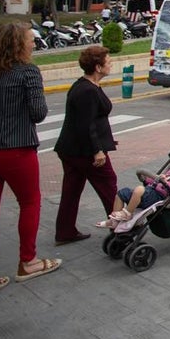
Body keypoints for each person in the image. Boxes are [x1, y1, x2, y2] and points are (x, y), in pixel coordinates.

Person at [0, 22, 60, 301]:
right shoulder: (27, 72)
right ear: (19, 45)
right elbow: (38, 113)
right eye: (30, 40)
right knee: (29, 203)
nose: (33, 44)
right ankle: (27, 262)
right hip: (15, 149)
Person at [53, 45, 118, 245]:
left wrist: (106, 141)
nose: (111, 64)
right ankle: (120, 226)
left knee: (72, 190)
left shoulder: (84, 85)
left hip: (71, 149)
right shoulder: (87, 90)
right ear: (98, 67)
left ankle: (65, 231)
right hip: (84, 151)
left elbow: (90, 121)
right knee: (108, 184)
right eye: (108, 62)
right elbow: (86, 124)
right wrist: (97, 150)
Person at [97, 152, 170, 226]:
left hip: (156, 196)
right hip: (148, 192)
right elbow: (153, 181)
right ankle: (113, 222)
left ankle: (127, 213)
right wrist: (149, 178)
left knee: (139, 189)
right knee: (121, 193)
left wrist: (166, 182)